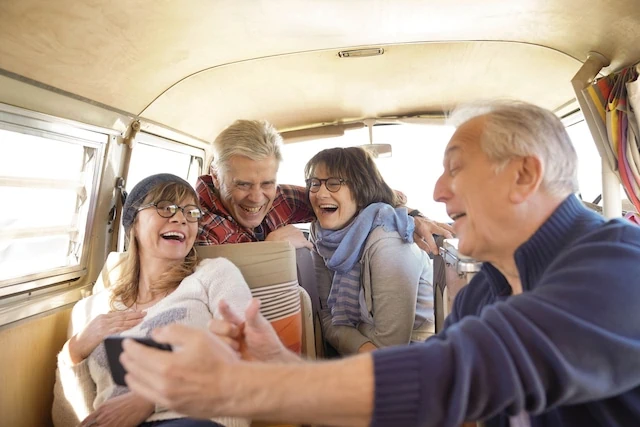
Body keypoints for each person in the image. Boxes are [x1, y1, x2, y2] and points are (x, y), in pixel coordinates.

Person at [120, 101, 640, 427]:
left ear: (525, 175)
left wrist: (241, 387)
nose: (437, 191)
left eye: (455, 169)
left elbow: (452, 378)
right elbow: (442, 405)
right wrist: (281, 365)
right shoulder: (489, 291)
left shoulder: (619, 267)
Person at [52, 174, 252, 427]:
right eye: (165, 208)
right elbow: (67, 420)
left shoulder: (214, 274)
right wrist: (75, 351)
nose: (180, 218)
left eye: (191, 212)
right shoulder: (89, 310)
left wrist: (151, 399)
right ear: (133, 224)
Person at [196, 119, 453, 253]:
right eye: (242, 184)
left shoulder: (280, 199)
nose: (256, 197)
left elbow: (361, 198)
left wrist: (413, 217)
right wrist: (268, 250)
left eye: (267, 183)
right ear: (216, 175)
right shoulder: (192, 225)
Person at [306, 147, 434, 355]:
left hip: (415, 358)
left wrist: (347, 329)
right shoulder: (320, 235)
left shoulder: (389, 239)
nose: (320, 193)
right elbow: (326, 315)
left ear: (361, 189)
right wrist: (355, 334)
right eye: (314, 183)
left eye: (334, 183)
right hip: (364, 358)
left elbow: (389, 348)